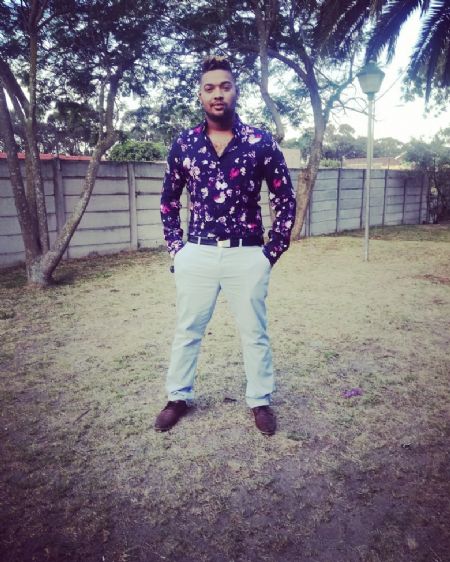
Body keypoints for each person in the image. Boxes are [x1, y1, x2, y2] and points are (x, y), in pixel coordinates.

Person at [156, 55, 296, 435]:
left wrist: (270, 253)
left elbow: (284, 198)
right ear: (201, 95)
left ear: (235, 91)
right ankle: (177, 397)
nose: (217, 94)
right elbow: (169, 200)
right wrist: (177, 249)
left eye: (225, 86)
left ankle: (260, 401)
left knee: (254, 332)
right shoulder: (185, 144)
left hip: (247, 253)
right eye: (210, 88)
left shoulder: (260, 142)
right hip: (197, 252)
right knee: (188, 330)